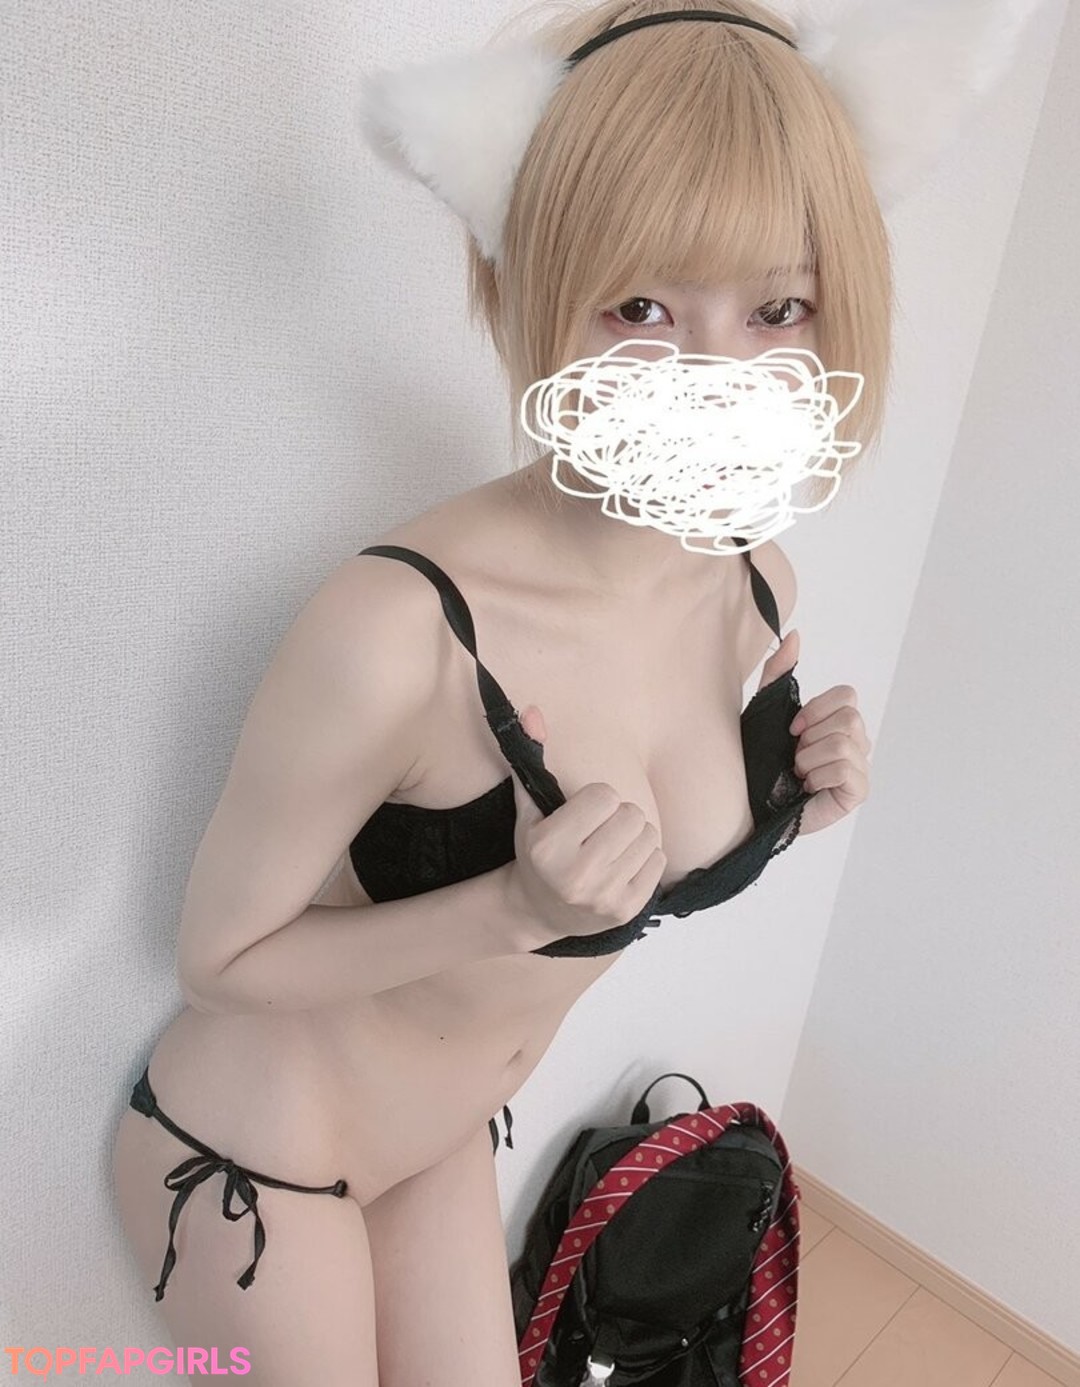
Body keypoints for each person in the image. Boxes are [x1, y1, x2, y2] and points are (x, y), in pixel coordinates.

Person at [110, 0, 887, 1381]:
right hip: (255, 1148)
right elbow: (217, 962)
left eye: (778, 307)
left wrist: (795, 801)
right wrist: (513, 909)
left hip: (440, 1142)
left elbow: (665, 812)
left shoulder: (757, 585)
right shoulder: (402, 628)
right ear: (538, 286)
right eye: (642, 305)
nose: (715, 374)